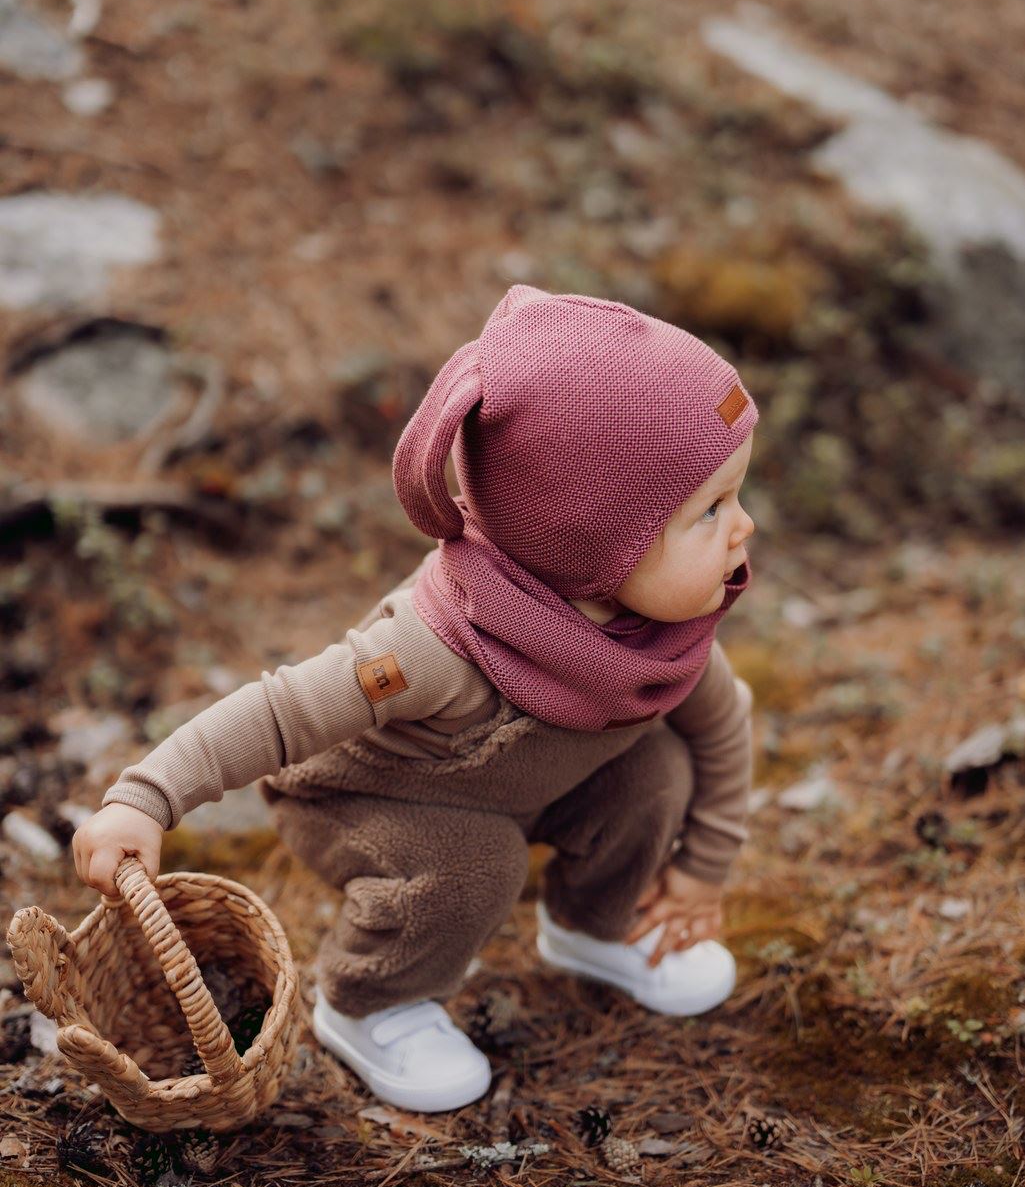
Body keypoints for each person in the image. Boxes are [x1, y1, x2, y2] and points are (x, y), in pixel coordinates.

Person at [73, 284, 758, 1114]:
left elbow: (722, 736)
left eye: (736, 496)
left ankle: (595, 927)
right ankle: (372, 1003)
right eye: (709, 510)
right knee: (472, 867)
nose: (743, 527)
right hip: (375, 799)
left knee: (655, 773)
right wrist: (144, 797)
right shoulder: (430, 651)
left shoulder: (663, 640)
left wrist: (698, 873)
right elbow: (280, 712)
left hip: (516, 788)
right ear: (589, 545)